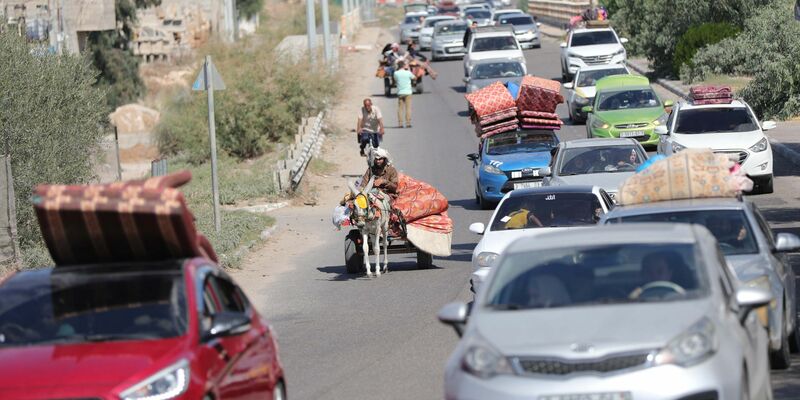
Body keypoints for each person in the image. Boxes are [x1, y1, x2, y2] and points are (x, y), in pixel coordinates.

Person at [393, 61, 415, 128]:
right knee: (408, 108)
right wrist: (408, 70)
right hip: (408, 92)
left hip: (400, 92)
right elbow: (414, 77)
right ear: (403, 66)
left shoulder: (396, 73)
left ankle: (400, 123)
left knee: (400, 108)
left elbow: (395, 80)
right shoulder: (408, 73)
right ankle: (408, 123)